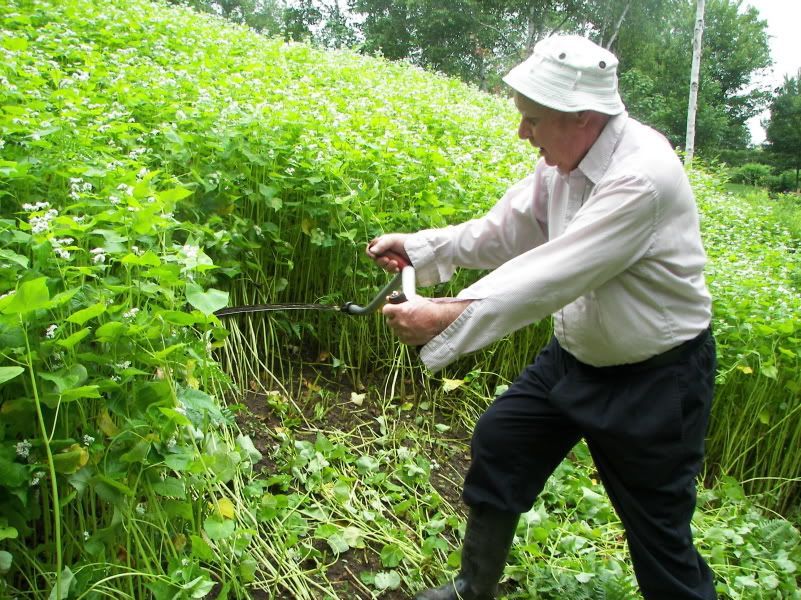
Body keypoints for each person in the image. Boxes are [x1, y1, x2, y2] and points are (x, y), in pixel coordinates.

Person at [367, 35, 717, 600]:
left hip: (655, 379)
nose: (522, 132)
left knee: (658, 532)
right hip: (574, 357)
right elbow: (506, 228)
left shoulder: (641, 177)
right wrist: (422, 248)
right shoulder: (564, 161)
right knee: (502, 442)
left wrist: (444, 317)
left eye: (532, 119)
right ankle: (472, 587)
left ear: (581, 116)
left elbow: (550, 275)